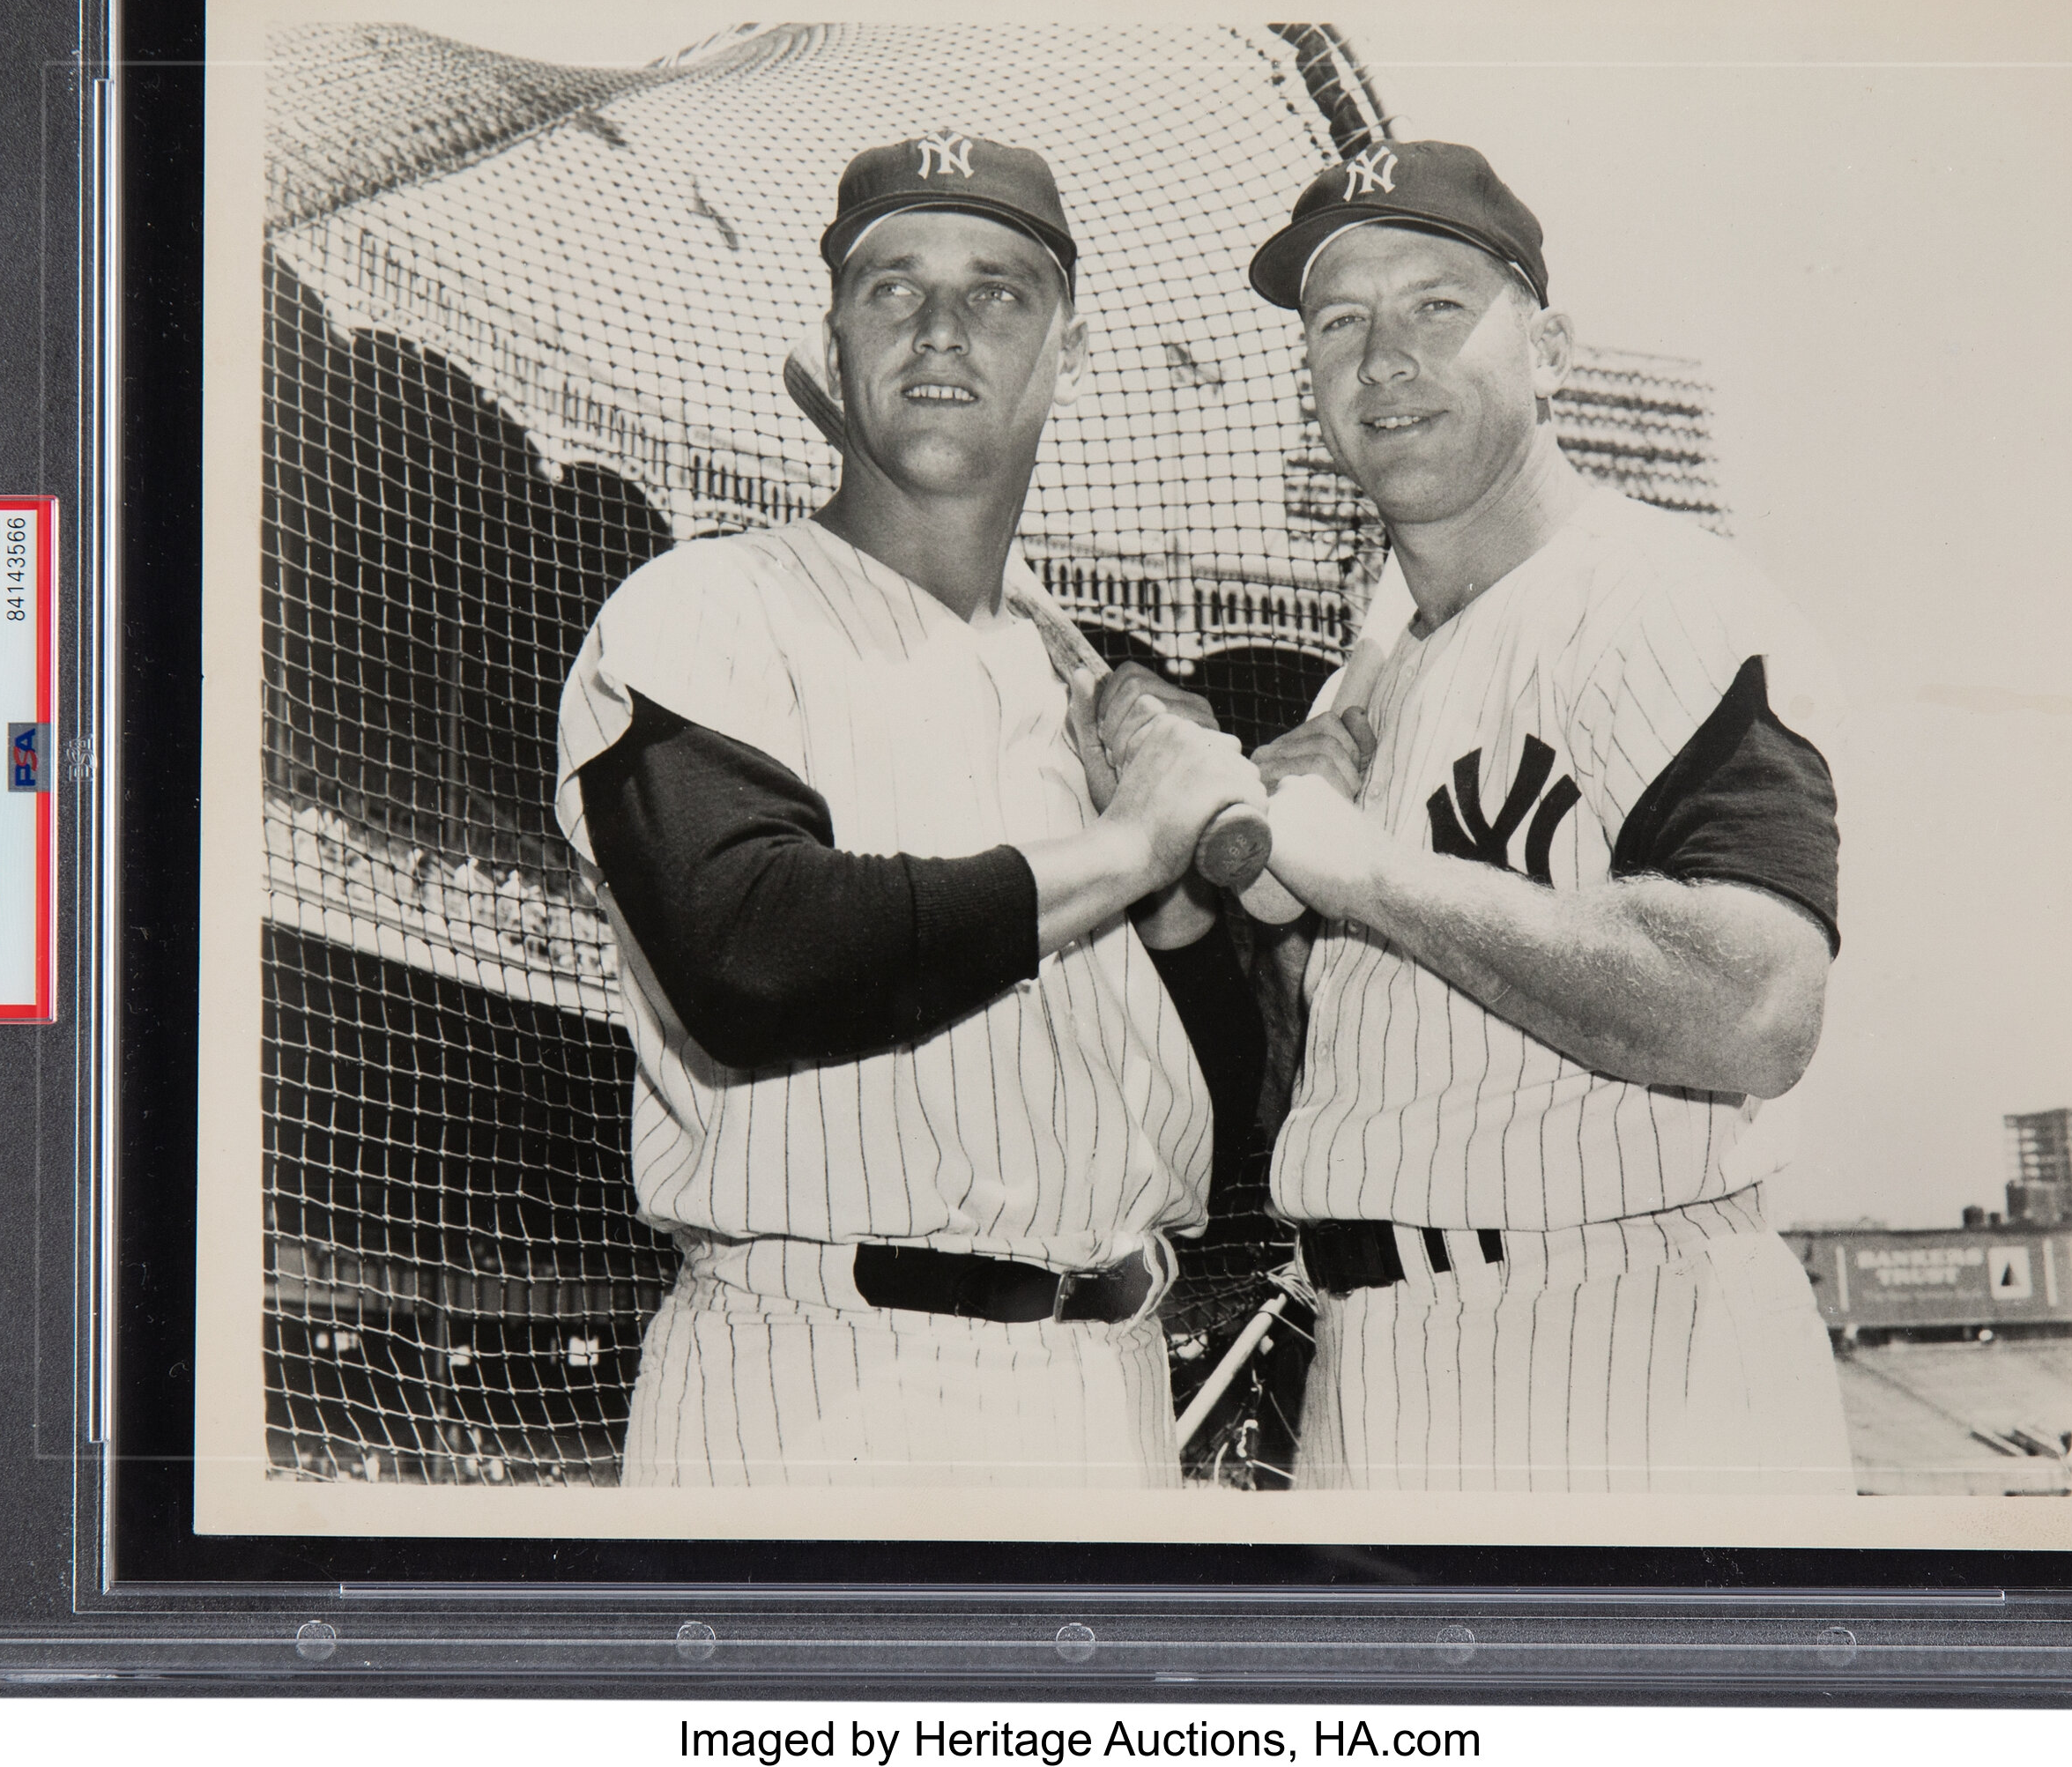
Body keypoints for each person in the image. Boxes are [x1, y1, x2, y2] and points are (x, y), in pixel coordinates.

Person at [553, 131, 1266, 1488]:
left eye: (999, 290)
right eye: (893, 287)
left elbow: (1208, 1122)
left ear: (1069, 348)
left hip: (1109, 1402)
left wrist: (1178, 917)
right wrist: (1126, 848)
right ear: (833, 341)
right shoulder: (707, 609)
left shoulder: (1079, 695)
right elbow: (751, 955)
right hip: (817, 1389)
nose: (942, 325)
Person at [1244, 141, 1857, 1493]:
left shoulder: (1661, 599)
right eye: (1338, 321)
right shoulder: (1380, 666)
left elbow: (1756, 1006)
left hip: (1629, 1349)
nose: (1383, 357)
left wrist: (1366, 875)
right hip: (1372, 1355)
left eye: (1436, 307)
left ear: (1551, 350)